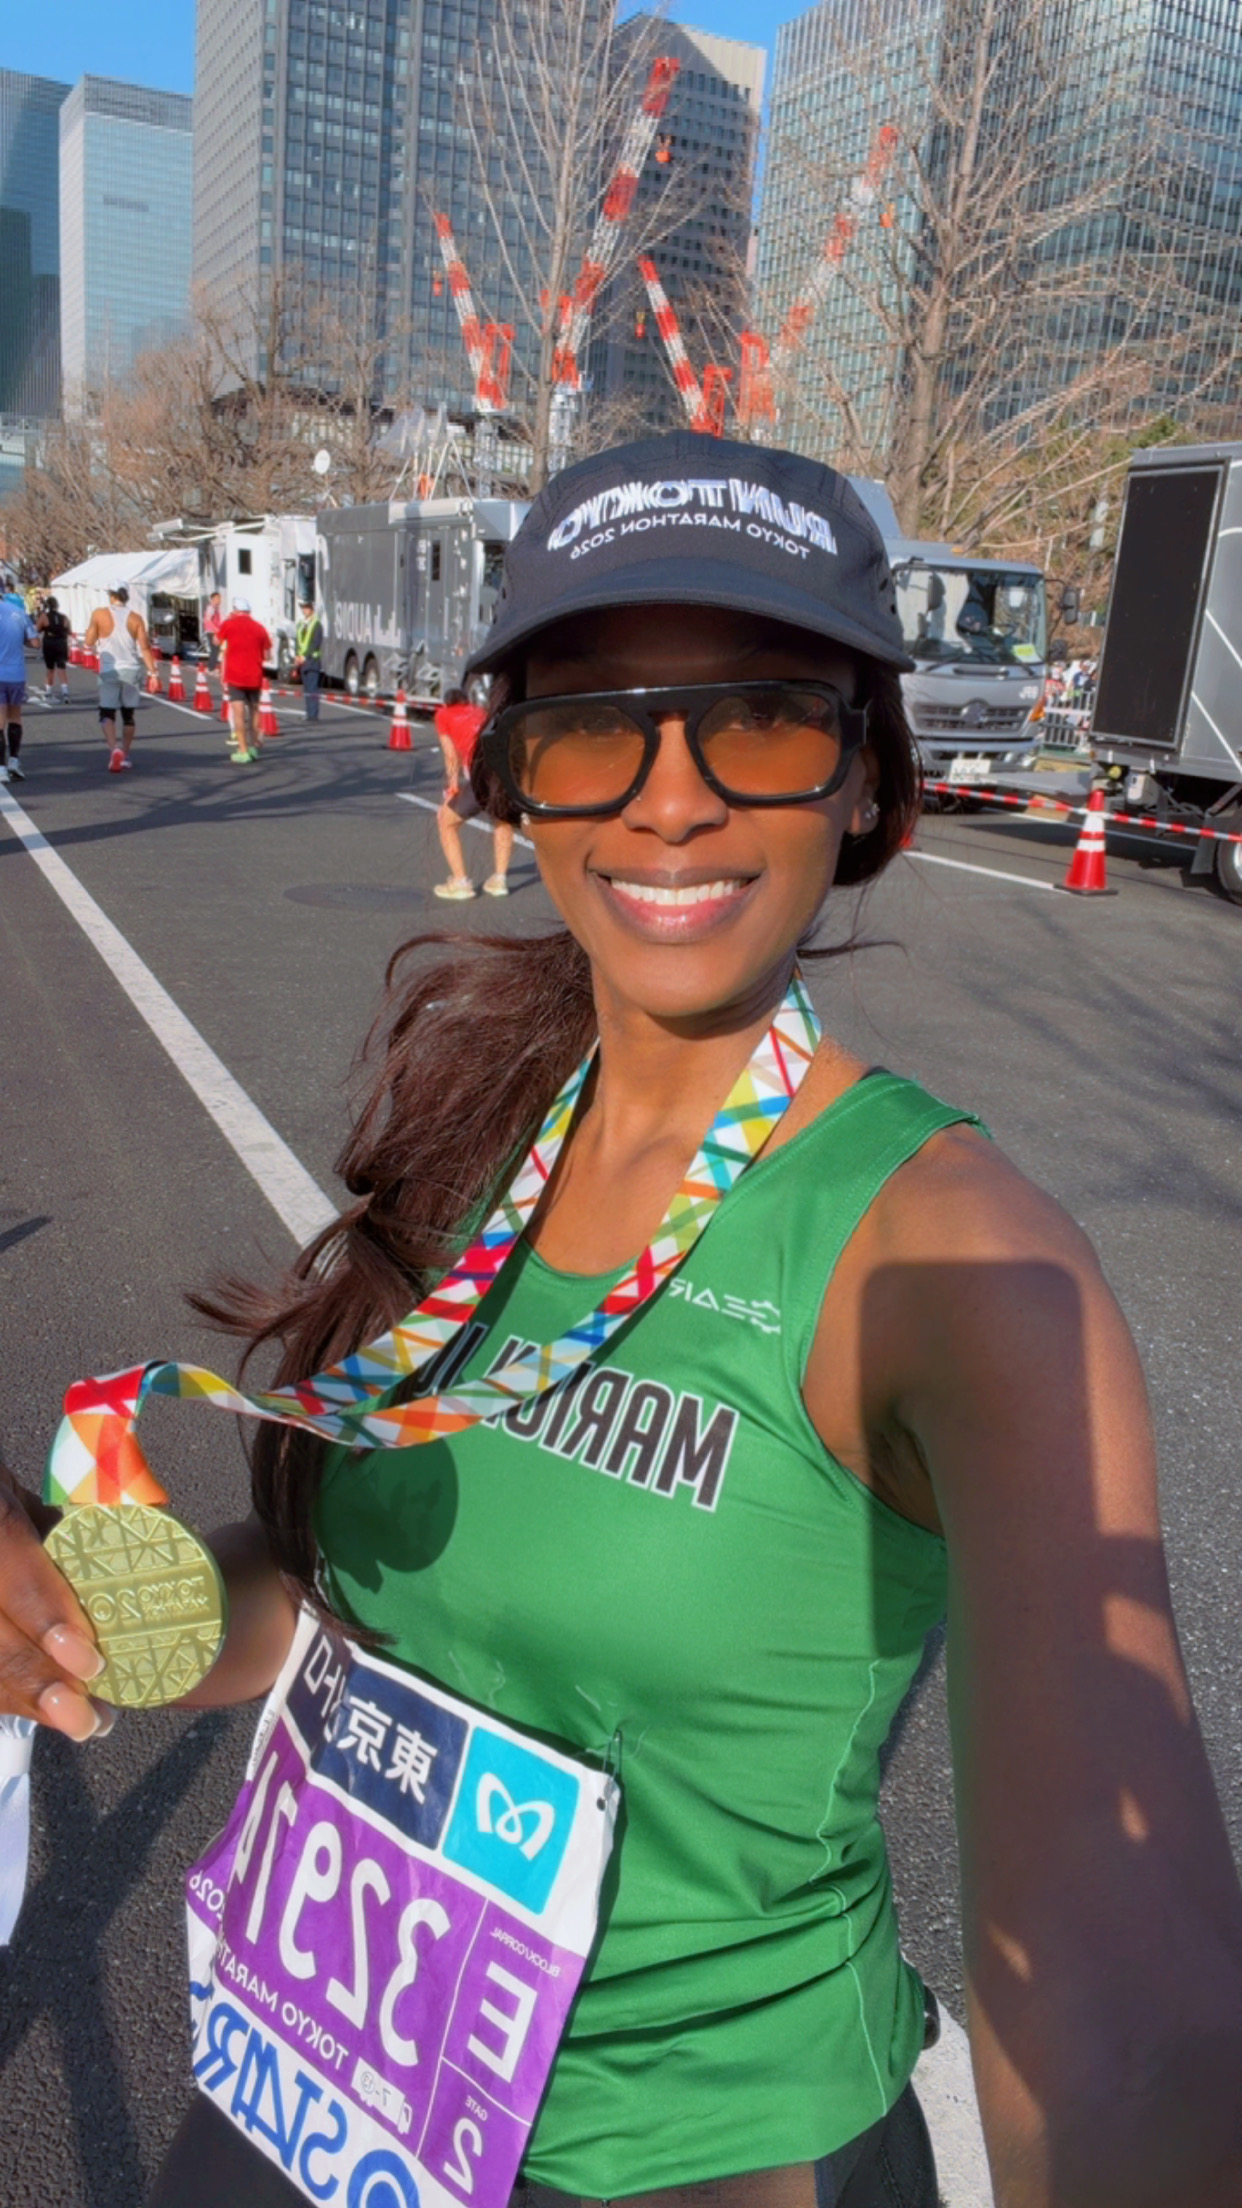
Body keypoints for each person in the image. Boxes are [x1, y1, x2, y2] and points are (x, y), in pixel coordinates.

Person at [3, 434, 1242, 2208]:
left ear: (867, 780)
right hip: (322, 2095)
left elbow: (1126, 2021)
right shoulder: (478, 1121)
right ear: (516, 780)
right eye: (592, 724)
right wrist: (68, 1602)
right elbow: (337, 1618)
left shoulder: (958, 1259)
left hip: (689, 2161)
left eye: (761, 715)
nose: (670, 799)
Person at [433, 683, 513, 897]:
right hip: (504, 771)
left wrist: (452, 787)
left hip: (481, 774)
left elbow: (451, 755)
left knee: (446, 823)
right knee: (502, 820)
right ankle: (499, 880)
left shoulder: (443, 715)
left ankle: (460, 883)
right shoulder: (479, 711)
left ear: (446, 702)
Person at [84, 584, 157, 771]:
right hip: (131, 668)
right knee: (128, 715)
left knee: (106, 713)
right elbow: (145, 648)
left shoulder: (99, 614)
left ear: (111, 596)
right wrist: (153, 673)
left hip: (109, 669)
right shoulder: (136, 618)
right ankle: (124, 753)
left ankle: (113, 749)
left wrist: (96, 629)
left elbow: (89, 641)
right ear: (126, 597)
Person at [216, 595, 272, 764]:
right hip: (254, 676)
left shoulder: (229, 624)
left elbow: (216, 640)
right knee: (255, 711)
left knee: (239, 714)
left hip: (235, 676)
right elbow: (267, 655)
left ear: (235, 610)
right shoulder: (260, 628)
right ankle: (255, 746)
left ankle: (243, 750)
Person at [0, 582, 37, 782]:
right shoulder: (18, 612)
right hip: (16, 674)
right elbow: (35, 642)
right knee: (15, 717)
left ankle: (0, 768)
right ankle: (14, 761)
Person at [293, 596, 322, 722]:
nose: (304, 610)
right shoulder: (301, 624)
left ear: (311, 609)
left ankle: (313, 714)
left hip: (312, 661)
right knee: (306, 689)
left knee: (312, 689)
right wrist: (297, 656)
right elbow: (298, 641)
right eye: (303, 608)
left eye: (306, 608)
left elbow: (315, 643)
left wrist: (304, 656)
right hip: (302, 662)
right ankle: (308, 713)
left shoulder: (316, 624)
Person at [37, 594, 71, 703]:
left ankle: (48, 692)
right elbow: (68, 630)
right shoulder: (64, 617)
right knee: (61, 669)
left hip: (49, 642)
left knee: (50, 668)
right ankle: (65, 693)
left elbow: (37, 629)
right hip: (61, 642)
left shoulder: (44, 616)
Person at [203, 589, 223, 672]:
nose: (219, 600)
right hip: (212, 631)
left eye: (219, 598)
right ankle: (211, 668)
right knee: (214, 649)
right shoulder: (211, 608)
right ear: (213, 599)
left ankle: (212, 666)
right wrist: (216, 629)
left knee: (216, 649)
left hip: (215, 631)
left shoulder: (216, 608)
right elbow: (208, 619)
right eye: (217, 598)